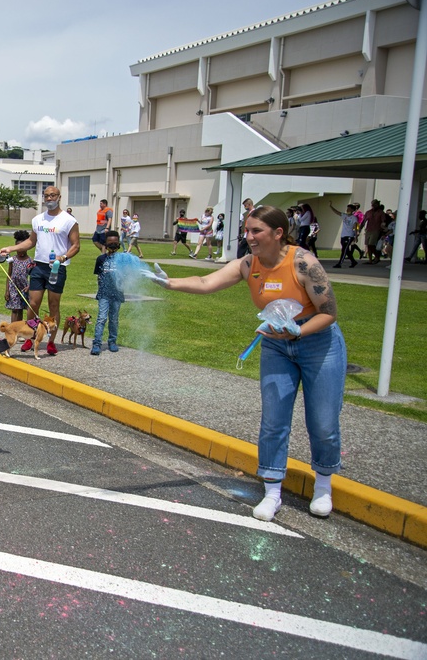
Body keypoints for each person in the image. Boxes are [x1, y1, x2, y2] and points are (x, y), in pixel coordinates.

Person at [144, 205, 344, 523]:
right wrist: (169, 283)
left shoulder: (304, 263)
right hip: (277, 346)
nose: (248, 237)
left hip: (319, 344)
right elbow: (207, 282)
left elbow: (329, 312)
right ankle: (272, 492)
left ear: (278, 233)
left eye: (256, 231)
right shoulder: (248, 264)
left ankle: (323, 486)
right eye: (246, 231)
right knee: (274, 422)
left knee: (323, 423)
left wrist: (298, 331)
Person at [0, 186, 81, 357]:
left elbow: (76, 245)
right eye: (47, 196)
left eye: (53, 196)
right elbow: (30, 242)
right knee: (33, 303)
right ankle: (30, 337)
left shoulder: (68, 220)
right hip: (38, 266)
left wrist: (63, 257)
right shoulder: (38, 220)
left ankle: (50, 342)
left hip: (57, 267)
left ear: (59, 197)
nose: (49, 198)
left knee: (53, 305)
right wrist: (11, 248)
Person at [90, 231, 126, 356]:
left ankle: (112, 341)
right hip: (104, 294)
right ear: (105, 244)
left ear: (119, 244)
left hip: (117, 293)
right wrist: (101, 291)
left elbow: (126, 275)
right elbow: (98, 276)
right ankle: (97, 343)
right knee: (101, 318)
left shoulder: (122, 259)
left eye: (115, 243)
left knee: (114, 319)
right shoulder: (101, 259)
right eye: (110, 243)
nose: (113, 245)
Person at [4, 229, 33, 322]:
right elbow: (8, 275)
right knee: (15, 309)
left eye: (22, 249)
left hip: (24, 289)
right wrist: (7, 290)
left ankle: (19, 329)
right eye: (18, 249)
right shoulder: (13, 259)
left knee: (21, 309)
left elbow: (33, 276)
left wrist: (29, 286)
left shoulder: (30, 261)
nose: (20, 251)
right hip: (13, 287)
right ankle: (12, 330)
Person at [329, 203, 360, 268]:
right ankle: (353, 261)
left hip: (349, 235)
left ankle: (340, 263)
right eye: (347, 208)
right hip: (343, 235)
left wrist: (356, 236)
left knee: (344, 250)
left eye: (349, 208)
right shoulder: (344, 215)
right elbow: (337, 212)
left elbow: (355, 227)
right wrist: (331, 206)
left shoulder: (354, 218)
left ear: (352, 210)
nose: (347, 209)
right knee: (346, 250)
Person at [362, 199, 386, 264]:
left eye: (375, 204)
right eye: (372, 204)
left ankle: (377, 256)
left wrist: (383, 227)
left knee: (371, 244)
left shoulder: (381, 212)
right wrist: (360, 229)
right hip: (368, 230)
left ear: (378, 205)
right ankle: (370, 260)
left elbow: (383, 221)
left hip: (376, 230)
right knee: (368, 245)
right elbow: (364, 221)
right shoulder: (368, 212)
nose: (373, 206)